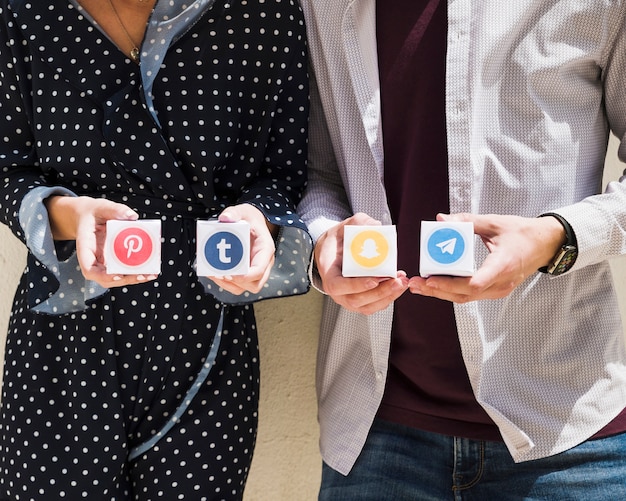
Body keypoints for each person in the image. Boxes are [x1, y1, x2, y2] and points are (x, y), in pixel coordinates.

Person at [298, 0, 626, 498]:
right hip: (374, 430)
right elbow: (316, 172)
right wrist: (324, 242)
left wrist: (557, 237)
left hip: (566, 430)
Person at [0, 0, 311, 499]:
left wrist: (258, 221)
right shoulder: (27, 12)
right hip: (62, 342)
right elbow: (7, 166)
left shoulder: (262, 12)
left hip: (204, 339)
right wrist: (70, 215)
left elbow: (283, 171)